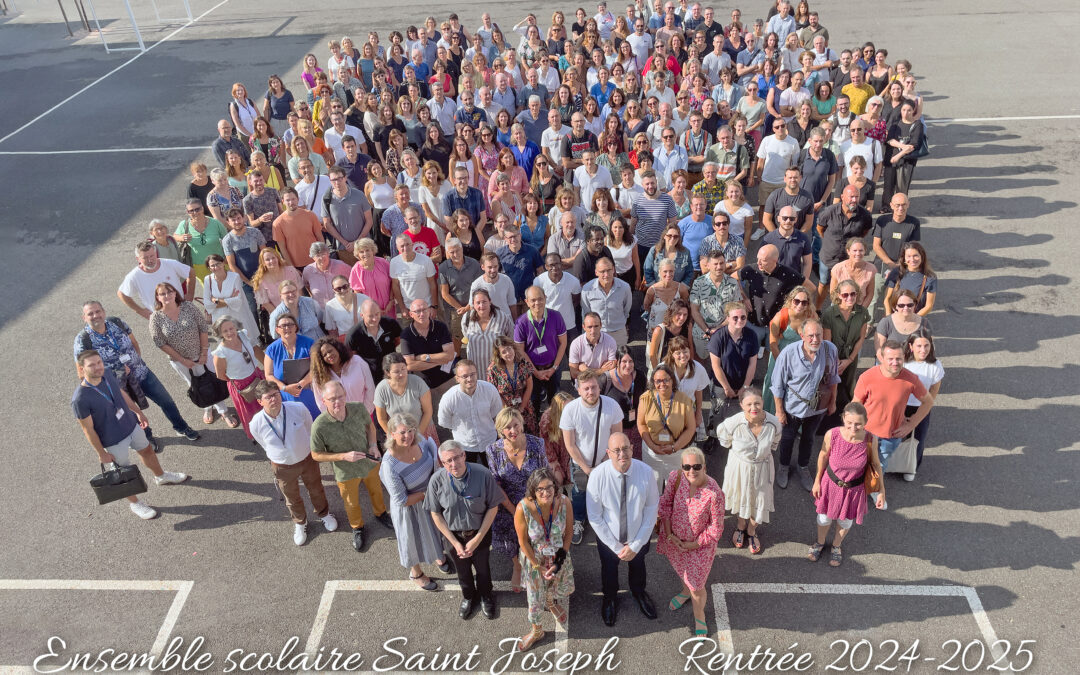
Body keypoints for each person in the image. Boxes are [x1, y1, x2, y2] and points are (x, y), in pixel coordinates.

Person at [73, 350, 189, 521]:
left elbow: (121, 394)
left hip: (130, 425)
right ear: (82, 369)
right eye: (92, 365)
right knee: (122, 473)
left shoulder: (107, 374)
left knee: (147, 451)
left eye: (99, 362)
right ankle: (135, 503)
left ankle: (161, 476)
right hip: (112, 440)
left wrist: (137, 412)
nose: (98, 367)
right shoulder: (80, 399)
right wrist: (101, 453)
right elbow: (88, 430)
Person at [74, 301, 200, 444]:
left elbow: (134, 343)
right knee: (133, 414)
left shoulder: (116, 322)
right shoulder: (83, 340)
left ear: (104, 312)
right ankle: (147, 437)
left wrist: (136, 362)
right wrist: (116, 373)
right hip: (118, 386)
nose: (95, 315)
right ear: (84, 317)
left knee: (166, 401)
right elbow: (83, 372)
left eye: (98, 311)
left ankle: (181, 427)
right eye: (90, 313)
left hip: (141, 373)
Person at [249, 381, 337, 545]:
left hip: (307, 459)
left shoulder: (298, 408)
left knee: (316, 488)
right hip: (282, 466)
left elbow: (311, 429)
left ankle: (324, 514)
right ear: (260, 402)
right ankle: (300, 522)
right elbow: (263, 444)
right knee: (291, 497)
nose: (274, 399)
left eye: (276, 394)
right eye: (268, 397)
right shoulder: (256, 423)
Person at [586, 432, 660, 627]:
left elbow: (652, 509)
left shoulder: (646, 472)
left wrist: (635, 545)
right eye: (616, 450)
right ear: (608, 453)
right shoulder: (597, 476)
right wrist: (616, 547)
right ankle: (610, 598)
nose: (622, 454)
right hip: (609, 539)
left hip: (638, 538)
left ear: (632, 448)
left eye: (625, 448)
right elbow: (594, 516)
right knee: (608, 570)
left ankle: (638, 592)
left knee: (638, 566)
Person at [309, 380, 390, 552]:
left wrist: (373, 445)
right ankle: (357, 527)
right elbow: (316, 454)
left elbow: (370, 426)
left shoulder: (358, 408)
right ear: (324, 401)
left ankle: (381, 513)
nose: (337, 402)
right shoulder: (319, 426)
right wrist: (343, 456)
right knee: (351, 503)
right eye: (332, 399)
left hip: (369, 463)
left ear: (345, 395)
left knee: (377, 490)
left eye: (340, 396)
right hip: (345, 472)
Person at [427, 439, 502, 620]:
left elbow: (493, 507)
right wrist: (454, 542)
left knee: (483, 569)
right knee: (463, 570)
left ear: (464, 455)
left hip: (479, 533)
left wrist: (477, 539)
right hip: (453, 536)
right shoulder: (436, 481)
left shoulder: (483, 474)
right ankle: (468, 597)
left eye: (456, 458)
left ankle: (486, 596)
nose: (453, 464)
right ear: (442, 463)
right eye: (447, 461)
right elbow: (436, 514)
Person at [381, 413, 453, 590]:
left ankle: (438, 555)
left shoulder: (420, 441)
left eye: (411, 430)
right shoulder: (389, 464)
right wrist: (426, 493)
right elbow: (401, 499)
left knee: (436, 530)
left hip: (429, 498)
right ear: (391, 434)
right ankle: (416, 573)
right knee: (412, 540)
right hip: (410, 507)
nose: (408, 436)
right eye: (402, 432)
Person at [808, 401, 885, 567]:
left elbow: (876, 465)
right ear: (843, 418)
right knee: (823, 518)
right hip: (831, 485)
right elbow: (822, 456)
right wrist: (817, 482)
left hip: (854, 489)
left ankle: (836, 546)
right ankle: (820, 543)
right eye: (849, 423)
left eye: (858, 424)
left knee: (845, 522)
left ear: (865, 422)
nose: (853, 427)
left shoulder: (870, 439)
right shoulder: (833, 434)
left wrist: (881, 492)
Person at [657, 446, 724, 636]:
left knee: (697, 586)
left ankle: (699, 616)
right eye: (686, 467)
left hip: (699, 547)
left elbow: (716, 529)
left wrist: (693, 544)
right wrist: (670, 535)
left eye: (696, 466)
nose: (691, 471)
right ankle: (684, 592)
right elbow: (666, 503)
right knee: (682, 570)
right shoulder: (675, 478)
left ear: (704, 467)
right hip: (675, 541)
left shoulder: (714, 493)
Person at [853, 340, 935, 490]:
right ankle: (857, 489)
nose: (895, 363)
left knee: (881, 465)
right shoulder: (867, 377)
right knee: (859, 463)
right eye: (890, 359)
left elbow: (928, 402)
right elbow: (855, 405)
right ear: (881, 358)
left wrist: (911, 424)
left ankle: (873, 489)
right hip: (867, 434)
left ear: (904, 357)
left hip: (892, 435)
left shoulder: (910, 379)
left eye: (899, 359)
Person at [148, 283, 232, 426]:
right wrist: (182, 360)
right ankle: (207, 407)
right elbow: (160, 343)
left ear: (175, 293)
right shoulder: (155, 318)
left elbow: (203, 328)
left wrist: (204, 353)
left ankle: (223, 411)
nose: (167, 296)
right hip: (180, 362)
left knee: (213, 381)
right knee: (195, 384)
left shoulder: (188, 307)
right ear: (157, 297)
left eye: (169, 292)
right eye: (162, 294)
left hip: (202, 354)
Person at [771, 318, 840, 490]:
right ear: (802, 336)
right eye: (810, 336)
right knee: (787, 439)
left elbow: (833, 379)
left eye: (818, 335)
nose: (815, 339)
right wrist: (779, 411)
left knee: (808, 439)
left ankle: (803, 467)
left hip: (818, 408)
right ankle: (784, 467)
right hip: (792, 408)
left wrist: (833, 402)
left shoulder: (830, 349)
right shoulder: (788, 353)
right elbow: (778, 384)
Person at [486, 408, 550, 593]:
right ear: (501, 430)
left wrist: (533, 505)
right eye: (507, 427)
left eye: (516, 425)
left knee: (537, 537)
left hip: (535, 498)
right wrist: (514, 510)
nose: (513, 430)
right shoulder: (493, 450)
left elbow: (544, 475)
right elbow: (496, 484)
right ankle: (517, 565)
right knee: (509, 536)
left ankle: (537, 565)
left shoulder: (537, 443)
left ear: (522, 424)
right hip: (507, 502)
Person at [560, 370, 624, 544]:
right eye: (586, 388)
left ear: (599, 387)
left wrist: (604, 463)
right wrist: (587, 468)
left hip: (606, 462)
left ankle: (606, 523)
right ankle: (578, 520)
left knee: (606, 493)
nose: (591, 392)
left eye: (594, 387)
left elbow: (616, 438)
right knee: (579, 493)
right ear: (578, 390)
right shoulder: (570, 410)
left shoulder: (612, 406)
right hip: (580, 464)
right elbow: (570, 444)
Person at [514, 466, 575, 650]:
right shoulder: (523, 507)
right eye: (540, 489)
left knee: (555, 586)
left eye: (549, 487)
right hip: (535, 559)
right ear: (533, 490)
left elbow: (569, 533)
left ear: (555, 487)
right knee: (534, 597)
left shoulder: (564, 503)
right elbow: (523, 542)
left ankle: (551, 602)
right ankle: (537, 630)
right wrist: (537, 566)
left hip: (558, 556)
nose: (545, 492)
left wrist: (558, 562)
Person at [636, 364, 695, 491]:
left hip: (675, 454)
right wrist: (652, 446)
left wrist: (675, 447)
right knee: (651, 489)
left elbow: (690, 428)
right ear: (653, 382)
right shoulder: (645, 398)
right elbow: (641, 424)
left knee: (675, 488)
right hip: (651, 453)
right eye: (658, 381)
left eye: (666, 380)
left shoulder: (684, 400)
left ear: (672, 380)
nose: (662, 384)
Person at [514, 286, 568, 416]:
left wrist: (554, 368)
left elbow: (563, 343)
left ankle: (554, 431)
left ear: (545, 298)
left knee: (555, 403)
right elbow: (520, 351)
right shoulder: (521, 323)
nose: (537, 303)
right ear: (527, 302)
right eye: (533, 300)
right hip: (532, 371)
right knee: (534, 403)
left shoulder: (556, 316)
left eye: (540, 299)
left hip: (552, 368)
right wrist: (535, 372)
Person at [816, 185, 873, 306]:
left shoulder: (865, 215)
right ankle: (817, 309)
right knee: (824, 283)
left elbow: (864, 233)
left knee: (846, 287)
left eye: (857, 197)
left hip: (849, 260)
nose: (854, 200)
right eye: (851, 196)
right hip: (829, 257)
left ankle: (840, 310)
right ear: (842, 197)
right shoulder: (829, 212)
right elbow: (820, 229)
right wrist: (829, 242)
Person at [821, 280, 871, 415]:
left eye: (853, 294)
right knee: (831, 388)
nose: (850, 298)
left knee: (849, 388)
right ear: (838, 295)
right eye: (845, 295)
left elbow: (861, 338)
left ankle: (847, 417)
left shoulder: (863, 313)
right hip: (832, 359)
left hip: (851, 357)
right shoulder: (829, 314)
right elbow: (827, 342)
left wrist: (849, 359)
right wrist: (836, 363)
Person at [740, 244, 804, 350]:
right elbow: (734, 278)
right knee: (750, 351)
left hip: (775, 325)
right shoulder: (751, 269)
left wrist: (793, 305)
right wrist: (743, 297)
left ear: (775, 260)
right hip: (754, 323)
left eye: (763, 260)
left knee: (772, 351)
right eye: (758, 258)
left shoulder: (787, 273)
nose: (758, 263)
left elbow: (810, 287)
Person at [210, 316, 264, 438]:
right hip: (241, 384)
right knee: (252, 413)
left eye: (231, 328)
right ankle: (259, 436)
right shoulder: (220, 353)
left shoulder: (243, 335)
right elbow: (221, 375)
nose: (230, 332)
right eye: (225, 331)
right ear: (219, 334)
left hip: (256, 375)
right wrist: (239, 379)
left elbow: (254, 351)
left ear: (236, 327)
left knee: (266, 405)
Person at [438, 360, 503, 461]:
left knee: (495, 475)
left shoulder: (489, 389)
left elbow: (497, 413)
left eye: (472, 374)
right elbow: (444, 422)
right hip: (465, 446)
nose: (469, 379)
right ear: (457, 378)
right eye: (465, 376)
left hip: (489, 441)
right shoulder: (448, 398)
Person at [902, 335, 944, 480]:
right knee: (894, 435)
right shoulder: (903, 362)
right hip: (901, 405)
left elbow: (933, 392)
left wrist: (919, 414)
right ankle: (892, 462)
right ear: (910, 346)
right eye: (919, 346)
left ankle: (911, 467)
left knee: (918, 438)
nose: (923, 350)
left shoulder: (936, 365)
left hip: (922, 406)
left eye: (926, 346)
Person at [117, 241, 195, 320]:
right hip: (160, 319)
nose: (150, 260)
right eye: (145, 258)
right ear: (138, 259)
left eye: (152, 256)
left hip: (181, 311)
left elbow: (190, 272)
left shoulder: (170, 264)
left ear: (156, 253)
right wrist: (140, 311)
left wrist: (190, 295)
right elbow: (122, 293)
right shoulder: (134, 276)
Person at [263, 313, 320, 419]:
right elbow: (269, 375)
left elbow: (316, 368)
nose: (287, 328)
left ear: (296, 327)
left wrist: (300, 385)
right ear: (277, 330)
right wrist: (285, 388)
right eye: (283, 326)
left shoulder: (310, 343)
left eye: (290, 324)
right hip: (285, 396)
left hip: (309, 393)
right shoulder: (271, 349)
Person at [401, 299, 458, 398]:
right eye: (417, 311)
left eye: (424, 310)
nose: (422, 314)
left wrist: (424, 357)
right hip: (421, 385)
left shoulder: (441, 327)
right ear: (411, 314)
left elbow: (449, 355)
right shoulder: (406, 334)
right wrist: (439, 361)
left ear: (429, 311)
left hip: (446, 380)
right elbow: (410, 365)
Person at [689, 250, 743, 356]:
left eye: (722, 263)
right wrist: (707, 330)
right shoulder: (698, 283)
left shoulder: (732, 283)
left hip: (725, 332)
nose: (719, 267)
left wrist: (718, 329)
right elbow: (694, 310)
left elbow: (737, 310)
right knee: (701, 359)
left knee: (723, 362)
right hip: (702, 332)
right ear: (708, 265)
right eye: (715, 264)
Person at [309, 337, 375, 414]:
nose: (329, 355)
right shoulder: (319, 376)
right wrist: (336, 419)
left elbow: (370, 388)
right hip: (340, 421)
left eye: (330, 351)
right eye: (324, 355)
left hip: (364, 413)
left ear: (337, 348)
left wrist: (365, 412)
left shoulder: (357, 362)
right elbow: (321, 403)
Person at [438, 239, 483, 349]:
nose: (455, 254)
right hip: (455, 309)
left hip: (474, 307)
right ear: (447, 253)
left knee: (477, 334)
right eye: (452, 252)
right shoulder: (443, 268)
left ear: (462, 249)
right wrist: (461, 309)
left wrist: (468, 307)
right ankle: (457, 359)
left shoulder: (474, 264)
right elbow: (445, 294)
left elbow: (480, 287)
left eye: (457, 250)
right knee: (456, 336)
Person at [581, 258, 633, 346]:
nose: (606, 274)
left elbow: (626, 309)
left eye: (609, 270)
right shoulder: (587, 289)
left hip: (618, 333)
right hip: (597, 333)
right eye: (602, 271)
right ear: (596, 272)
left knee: (619, 358)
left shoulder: (625, 287)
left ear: (613, 269)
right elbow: (586, 312)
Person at [203, 254, 259, 336]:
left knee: (246, 344)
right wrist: (229, 299)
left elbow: (238, 301)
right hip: (219, 320)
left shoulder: (235, 277)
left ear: (223, 263)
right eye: (212, 266)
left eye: (218, 264)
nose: (216, 267)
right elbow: (207, 304)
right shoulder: (207, 279)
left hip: (236, 318)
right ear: (209, 268)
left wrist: (216, 301)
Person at [346, 300, 401, 382]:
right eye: (370, 316)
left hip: (392, 369)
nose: (375, 319)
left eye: (377, 314)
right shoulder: (354, 334)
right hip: (370, 374)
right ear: (362, 315)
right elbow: (352, 356)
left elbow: (398, 340)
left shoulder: (390, 324)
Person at [272, 189, 324, 270]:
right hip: (297, 266)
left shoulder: (310, 215)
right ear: (283, 201)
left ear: (298, 199)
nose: (291, 202)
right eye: (288, 200)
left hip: (316, 261)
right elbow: (283, 249)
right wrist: (292, 268)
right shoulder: (277, 223)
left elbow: (320, 238)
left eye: (293, 199)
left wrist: (322, 257)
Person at [884, 242, 937, 316]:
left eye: (915, 256)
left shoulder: (930, 277)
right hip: (895, 317)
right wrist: (889, 318)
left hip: (914, 318)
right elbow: (887, 299)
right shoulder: (896, 272)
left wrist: (913, 319)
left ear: (922, 256)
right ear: (904, 258)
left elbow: (929, 306)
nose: (912, 259)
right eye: (908, 256)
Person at [390, 234, 439, 313]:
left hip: (426, 308)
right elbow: (395, 286)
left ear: (412, 244)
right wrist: (402, 308)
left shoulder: (426, 260)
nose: (405, 248)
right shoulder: (394, 262)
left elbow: (432, 283)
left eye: (408, 244)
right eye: (402, 246)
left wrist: (434, 306)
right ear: (397, 248)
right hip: (408, 309)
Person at [568, 311, 617, 381]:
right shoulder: (576, 344)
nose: (593, 331)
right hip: (584, 383)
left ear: (601, 325)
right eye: (589, 327)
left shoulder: (610, 341)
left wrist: (586, 370)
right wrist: (602, 370)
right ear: (583, 327)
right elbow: (573, 374)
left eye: (596, 326)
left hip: (604, 382)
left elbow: (612, 369)